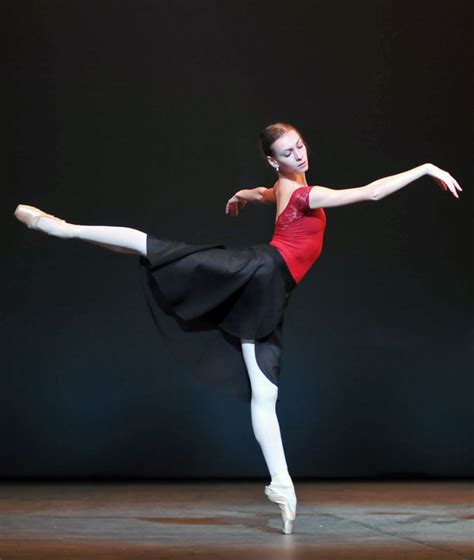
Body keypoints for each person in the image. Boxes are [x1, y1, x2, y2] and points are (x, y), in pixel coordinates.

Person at [14, 122, 462, 534]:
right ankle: (64, 229)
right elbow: (371, 193)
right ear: (274, 160)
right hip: (259, 273)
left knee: (265, 393)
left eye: (300, 146)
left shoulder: (286, 187)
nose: (299, 155)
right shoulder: (306, 195)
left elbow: (262, 194)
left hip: (270, 292)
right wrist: (424, 168)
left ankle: (282, 488)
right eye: (288, 152)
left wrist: (242, 196)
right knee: (164, 251)